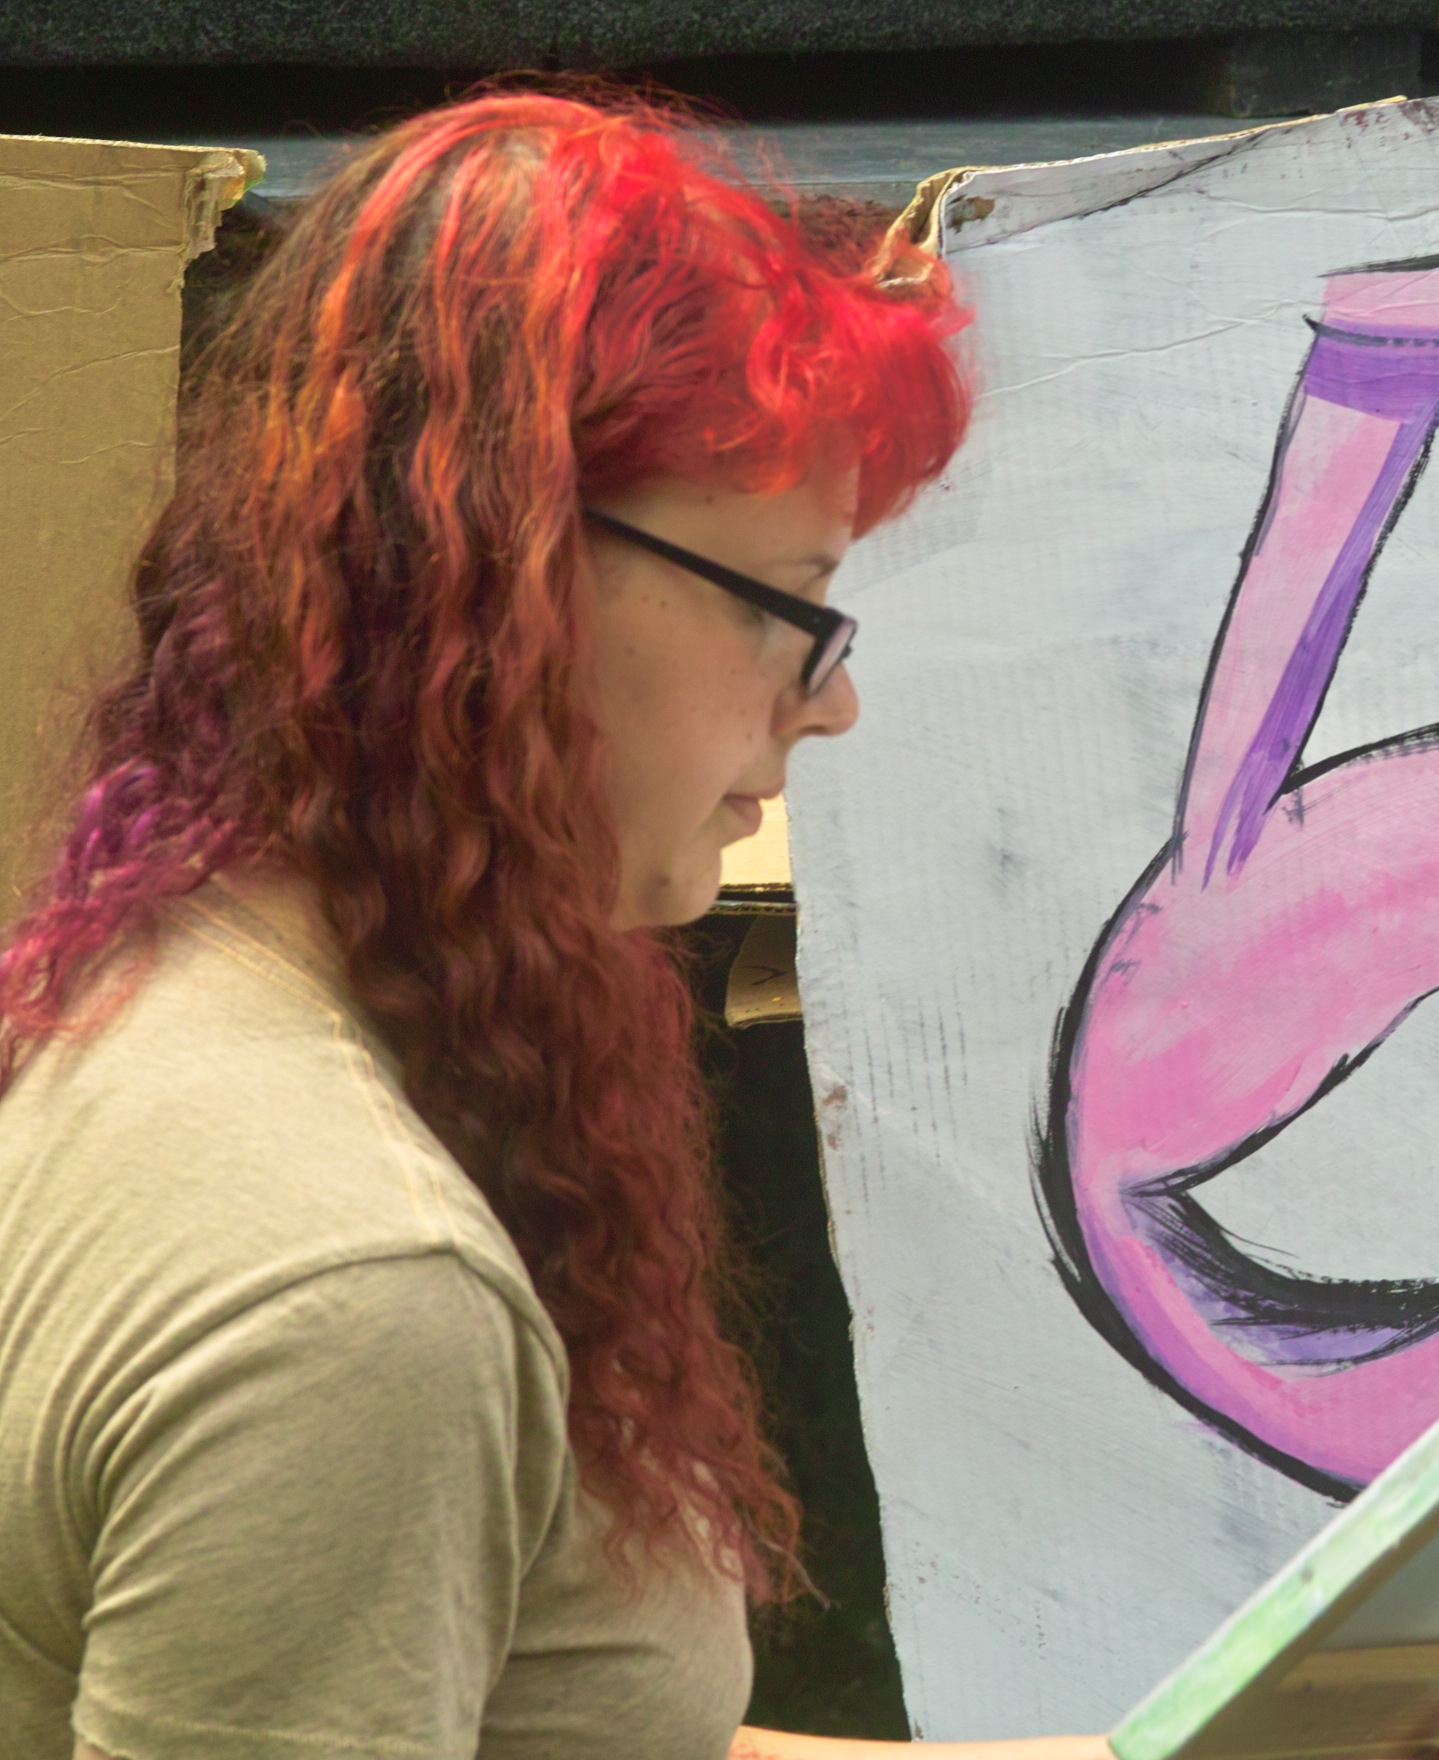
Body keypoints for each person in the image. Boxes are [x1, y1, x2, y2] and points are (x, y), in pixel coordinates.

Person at [0, 88, 1108, 1760]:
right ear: (511, 586)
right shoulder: (358, 1298)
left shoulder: (192, 985)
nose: (833, 704)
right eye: (796, 606)